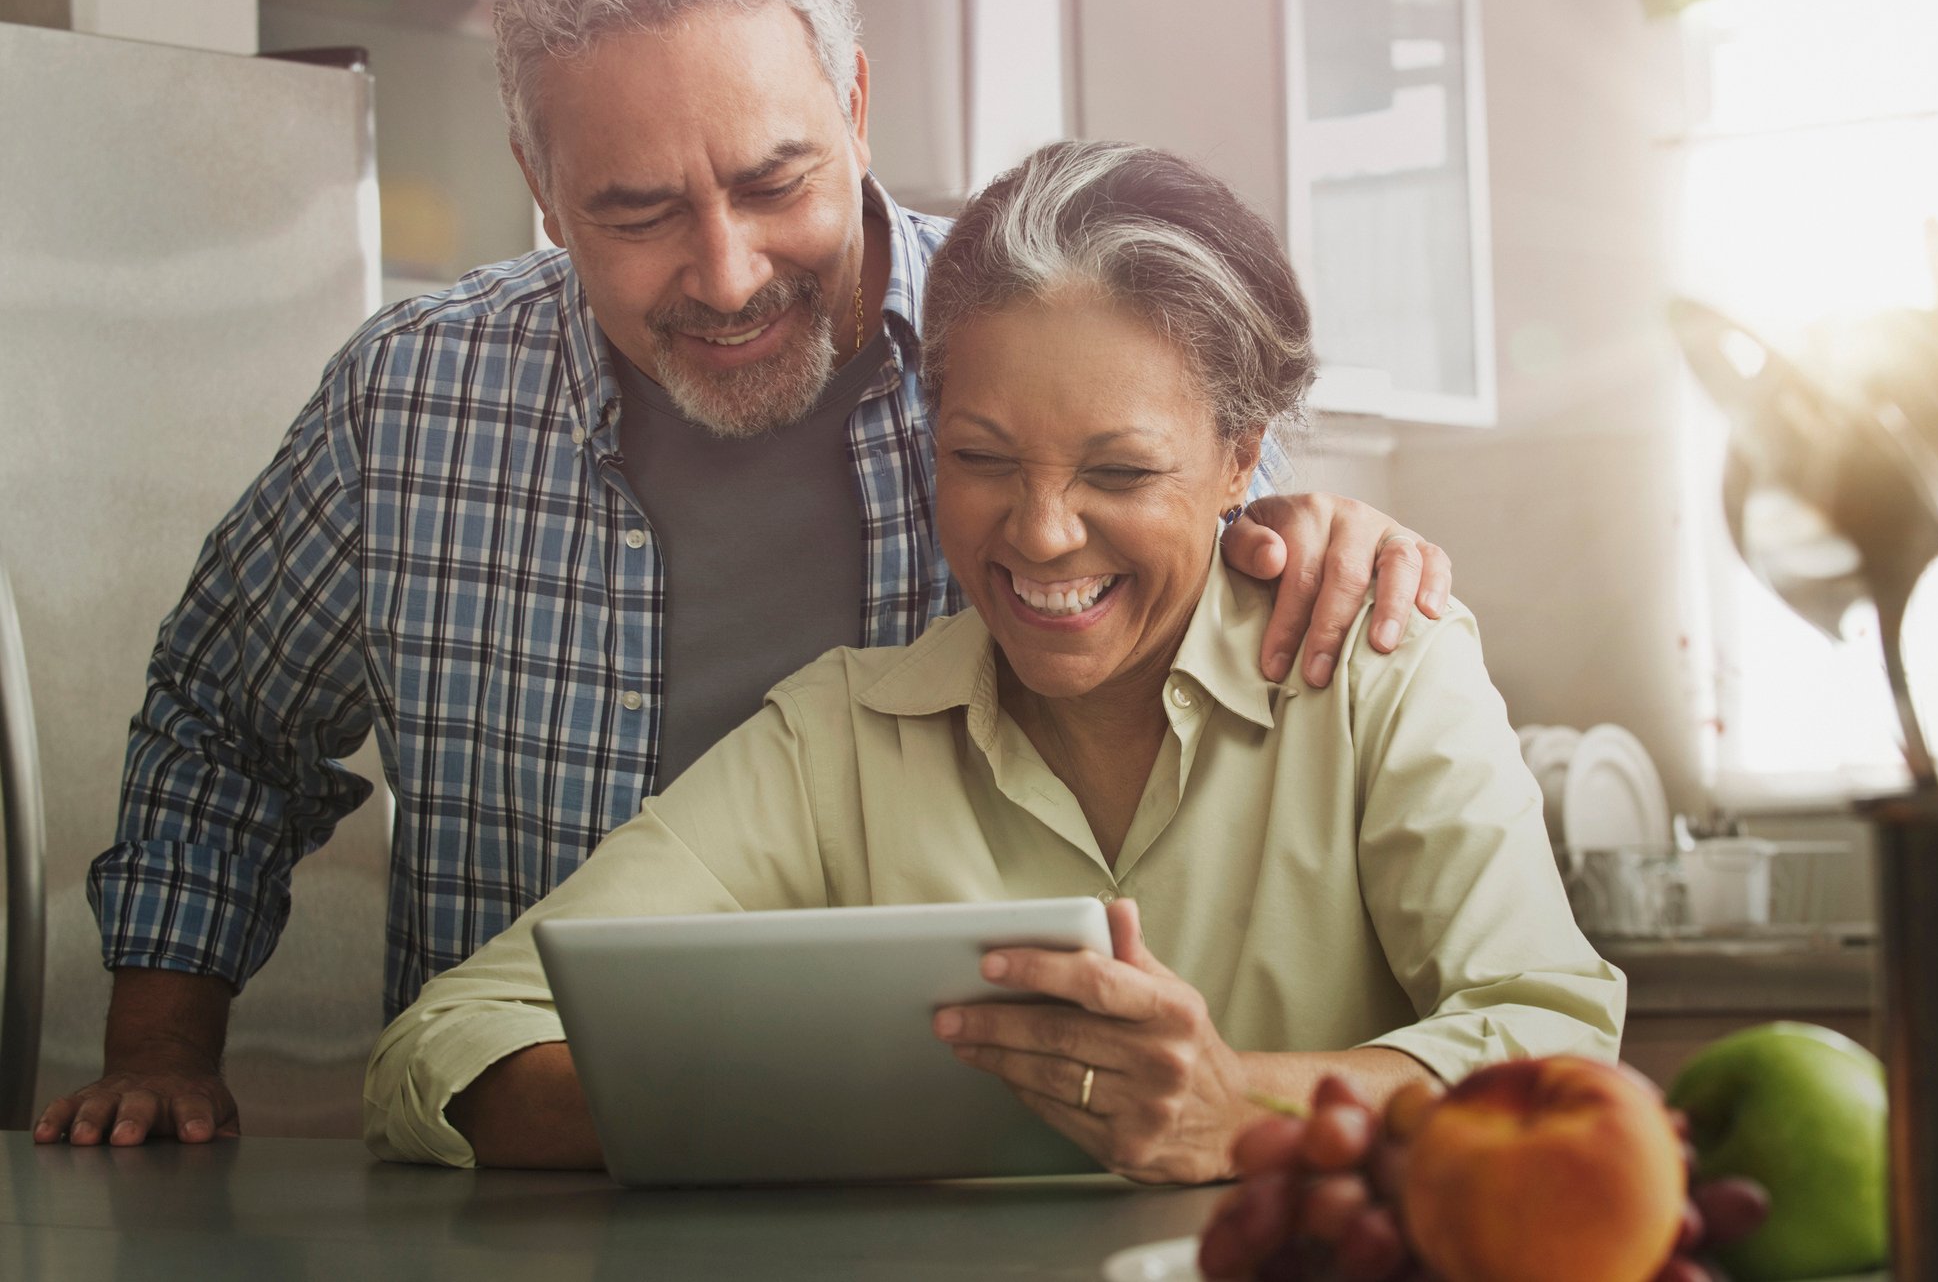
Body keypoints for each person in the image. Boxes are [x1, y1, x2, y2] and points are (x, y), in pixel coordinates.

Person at [38, 0, 1453, 1150]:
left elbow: (1226, 564)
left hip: (976, 1191)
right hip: (541, 1182)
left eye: (774, 184)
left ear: (850, 104)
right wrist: (160, 1052)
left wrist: (1323, 531)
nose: (723, 274)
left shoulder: (1038, 354)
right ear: (539, 188)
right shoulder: (408, 400)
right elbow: (224, 719)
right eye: (637, 212)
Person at [364, 140, 1620, 1181]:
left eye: (1119, 471)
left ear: (1244, 460)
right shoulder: (836, 742)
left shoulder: (1379, 671)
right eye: (979, 459)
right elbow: (448, 1044)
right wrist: (836, 1103)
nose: (1041, 533)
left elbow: (1556, 1058)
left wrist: (1244, 1107)